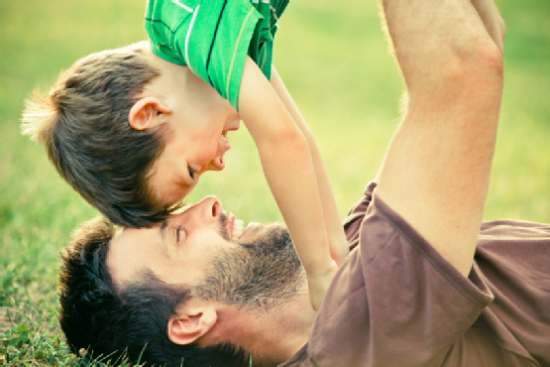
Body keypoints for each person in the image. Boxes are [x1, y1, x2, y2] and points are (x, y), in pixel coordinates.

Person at [59, 0, 550, 367]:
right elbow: (462, 68)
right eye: (179, 235)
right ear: (191, 319)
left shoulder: (351, 263)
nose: (207, 201)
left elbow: (482, 34)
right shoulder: (358, 340)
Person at [22, 0, 347, 306]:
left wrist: (317, 270)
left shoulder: (196, 30)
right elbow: (300, 138)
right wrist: (339, 255)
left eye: (192, 169)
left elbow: (283, 141)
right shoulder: (222, 44)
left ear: (149, 114)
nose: (218, 164)